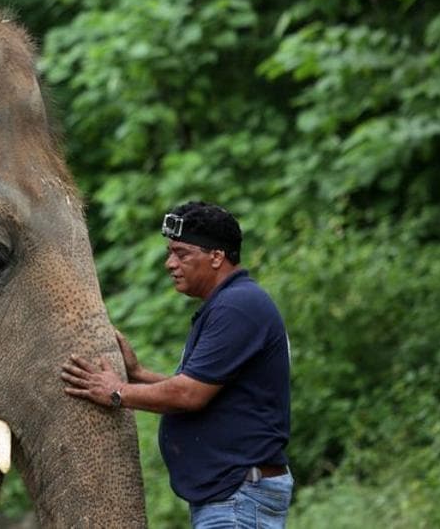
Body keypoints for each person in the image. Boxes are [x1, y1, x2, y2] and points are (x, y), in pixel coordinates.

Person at [61, 201, 293, 528]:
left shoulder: (237, 307)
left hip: (238, 497)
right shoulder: (230, 304)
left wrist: (117, 392)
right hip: (233, 495)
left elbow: (189, 395)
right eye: (170, 253)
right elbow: (208, 391)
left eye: (182, 254)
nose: (170, 263)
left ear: (216, 257)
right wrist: (139, 376)